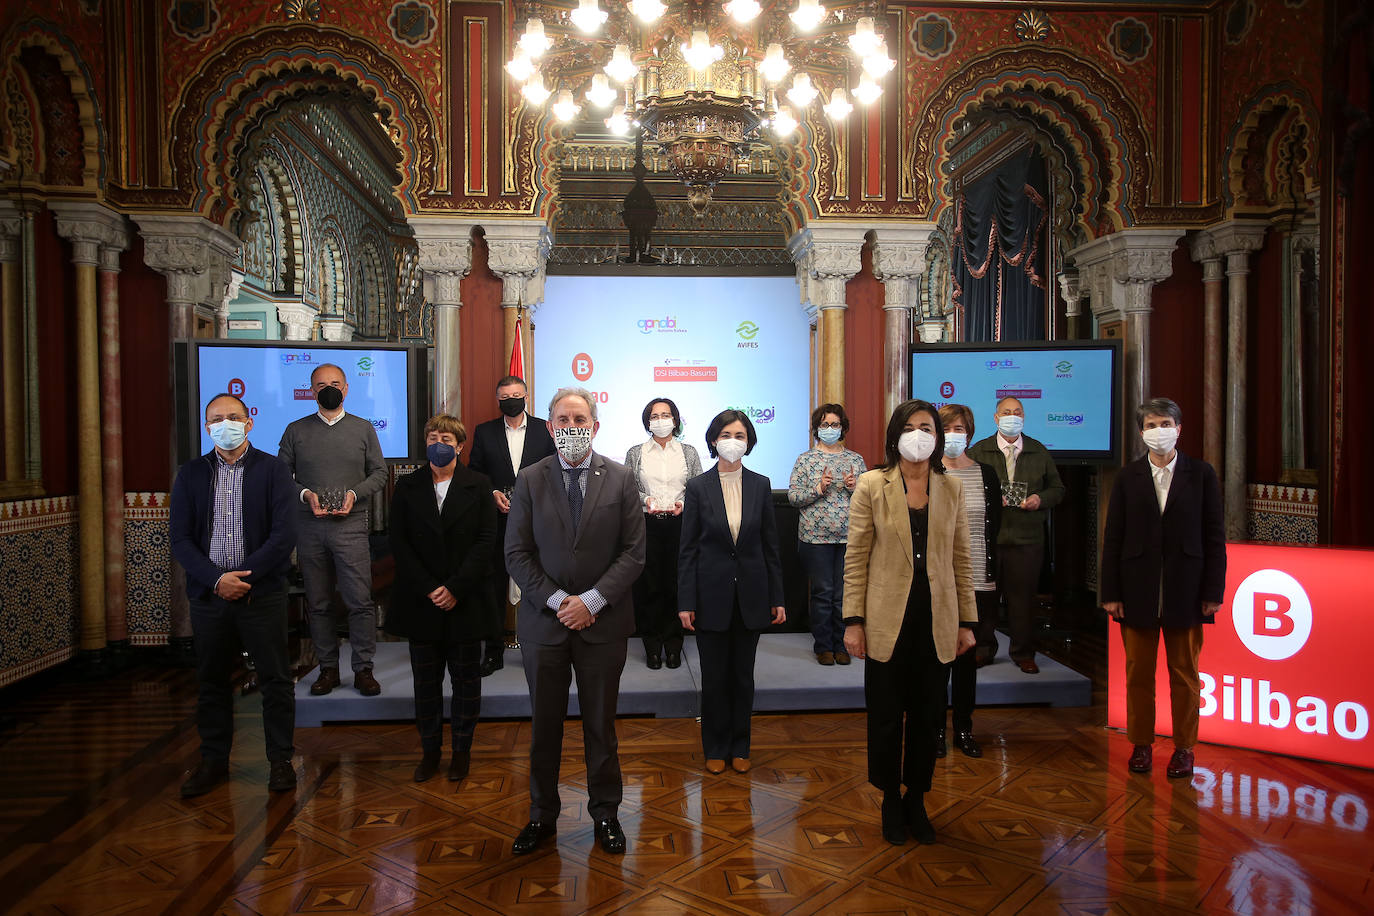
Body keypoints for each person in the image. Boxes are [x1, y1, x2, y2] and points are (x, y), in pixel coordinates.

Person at [504, 386, 645, 856]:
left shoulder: (622, 478)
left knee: (600, 727)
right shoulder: (529, 479)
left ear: (595, 426)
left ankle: (606, 814)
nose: (571, 427)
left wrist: (593, 601)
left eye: (579, 419)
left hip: (603, 626)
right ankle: (541, 816)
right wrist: (561, 600)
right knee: (544, 727)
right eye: (562, 420)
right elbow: (516, 553)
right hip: (544, 625)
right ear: (549, 428)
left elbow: (634, 553)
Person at [843, 399, 977, 846]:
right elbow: (856, 557)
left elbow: (961, 559)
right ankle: (889, 799)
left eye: (927, 427)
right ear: (895, 434)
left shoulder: (951, 487)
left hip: (937, 622)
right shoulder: (872, 484)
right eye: (910, 427)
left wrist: (966, 622)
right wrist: (853, 621)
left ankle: (916, 797)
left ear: (937, 438)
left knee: (927, 717)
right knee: (885, 717)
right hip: (886, 621)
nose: (918, 435)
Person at [171, 393, 298, 797]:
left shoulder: (274, 470)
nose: (225, 424)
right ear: (207, 427)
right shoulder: (191, 474)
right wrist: (216, 580)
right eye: (216, 419)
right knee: (212, 681)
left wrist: (245, 577)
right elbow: (181, 539)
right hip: (210, 597)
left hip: (262, 594)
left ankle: (280, 762)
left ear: (249, 423)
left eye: (233, 417)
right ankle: (213, 762)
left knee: (275, 680)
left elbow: (284, 535)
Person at [1101, 398, 1226, 780]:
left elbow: (1214, 536)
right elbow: (1114, 536)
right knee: (1138, 673)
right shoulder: (1127, 477)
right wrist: (1110, 592)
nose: (1160, 431)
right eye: (1152, 425)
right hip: (1136, 590)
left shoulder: (1201, 474)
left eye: (1166, 423)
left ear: (1179, 428)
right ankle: (1141, 744)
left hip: (1186, 590)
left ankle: (1185, 748)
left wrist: (1213, 592)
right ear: (1142, 433)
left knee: (1185, 674)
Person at [387, 415, 498, 784]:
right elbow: (399, 542)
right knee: (425, 683)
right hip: (423, 601)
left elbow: (486, 541)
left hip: (465, 600)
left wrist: (455, 588)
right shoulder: (407, 486)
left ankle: (461, 752)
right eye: (433, 437)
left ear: (460, 446)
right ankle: (430, 752)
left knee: (466, 682)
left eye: (446, 439)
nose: (439, 444)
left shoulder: (479, 484)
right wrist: (430, 587)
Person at [678, 409, 786, 775]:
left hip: (752, 596)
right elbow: (688, 550)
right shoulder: (697, 487)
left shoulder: (760, 484)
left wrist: (777, 597)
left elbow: (770, 547)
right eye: (726, 435)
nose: (733, 442)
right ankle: (715, 747)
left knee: (743, 677)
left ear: (749, 441)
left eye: (740, 435)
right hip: (710, 597)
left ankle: (741, 746)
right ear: (713, 440)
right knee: (714, 679)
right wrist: (686, 601)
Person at [278, 363, 388, 697]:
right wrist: (305, 494)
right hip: (309, 527)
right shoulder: (295, 430)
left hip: (351, 526)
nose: (329, 389)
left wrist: (354, 494)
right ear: (312, 391)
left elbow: (379, 474)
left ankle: (363, 669)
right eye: (322, 384)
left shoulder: (363, 428)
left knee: (359, 601)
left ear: (346, 389)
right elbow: (280, 476)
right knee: (319, 602)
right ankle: (327, 669)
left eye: (336, 383)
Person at [967, 396, 1064, 674]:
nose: (1012, 416)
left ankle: (1023, 653)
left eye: (1017, 412)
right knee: (985, 599)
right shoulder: (979, 451)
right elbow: (966, 487)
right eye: (1006, 412)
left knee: (1023, 601)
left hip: (1026, 539)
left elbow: (1057, 489)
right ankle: (983, 649)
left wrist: (1040, 499)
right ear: (996, 418)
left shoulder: (1038, 451)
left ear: (1023, 417)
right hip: (988, 538)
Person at [467, 375, 557, 677]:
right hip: (496, 521)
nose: (511, 400)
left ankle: (538, 648)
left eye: (516, 395)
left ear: (527, 397)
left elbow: (555, 469)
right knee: (493, 587)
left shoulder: (545, 430)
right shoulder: (485, 432)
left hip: (538, 522)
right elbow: (475, 472)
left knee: (539, 584)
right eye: (505, 396)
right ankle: (493, 652)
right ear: (498, 400)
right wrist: (491, 492)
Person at [937, 403, 1002, 758]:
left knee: (966, 660)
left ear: (970, 434)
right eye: (947, 429)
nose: (953, 435)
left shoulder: (986, 474)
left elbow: (994, 526)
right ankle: (934, 731)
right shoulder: (927, 473)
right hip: (936, 581)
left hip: (977, 578)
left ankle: (963, 728)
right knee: (936, 661)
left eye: (959, 429)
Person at [624, 397, 703, 670]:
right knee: (650, 587)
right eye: (655, 416)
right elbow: (628, 489)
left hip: (680, 525)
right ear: (648, 422)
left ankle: (673, 646)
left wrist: (685, 503)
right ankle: (652, 647)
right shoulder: (636, 452)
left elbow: (698, 487)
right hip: (647, 525)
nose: (660, 420)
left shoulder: (688, 452)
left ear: (675, 420)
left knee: (675, 586)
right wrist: (646, 500)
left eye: (666, 415)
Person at [788, 403, 867, 666]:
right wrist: (818, 488)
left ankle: (841, 644)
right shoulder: (806, 459)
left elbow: (870, 500)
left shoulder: (855, 460)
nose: (830, 429)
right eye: (824, 424)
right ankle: (823, 646)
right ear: (816, 428)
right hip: (815, 538)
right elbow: (794, 497)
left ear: (843, 428)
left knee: (842, 595)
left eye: (835, 424)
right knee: (822, 593)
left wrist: (856, 488)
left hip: (849, 538)